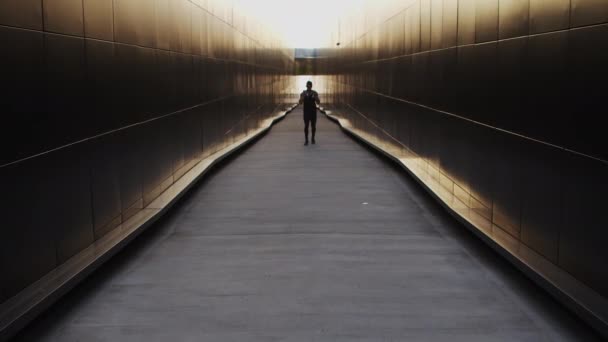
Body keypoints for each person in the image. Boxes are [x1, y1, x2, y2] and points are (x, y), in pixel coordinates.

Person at [299, 81, 320, 145]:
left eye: (310, 85)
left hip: (313, 112)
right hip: (306, 112)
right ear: (306, 86)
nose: (308, 87)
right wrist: (302, 98)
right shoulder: (303, 93)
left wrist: (315, 97)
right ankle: (306, 140)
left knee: (313, 126)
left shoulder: (315, 93)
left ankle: (313, 138)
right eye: (308, 85)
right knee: (306, 126)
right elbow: (300, 103)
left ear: (311, 86)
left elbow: (318, 102)